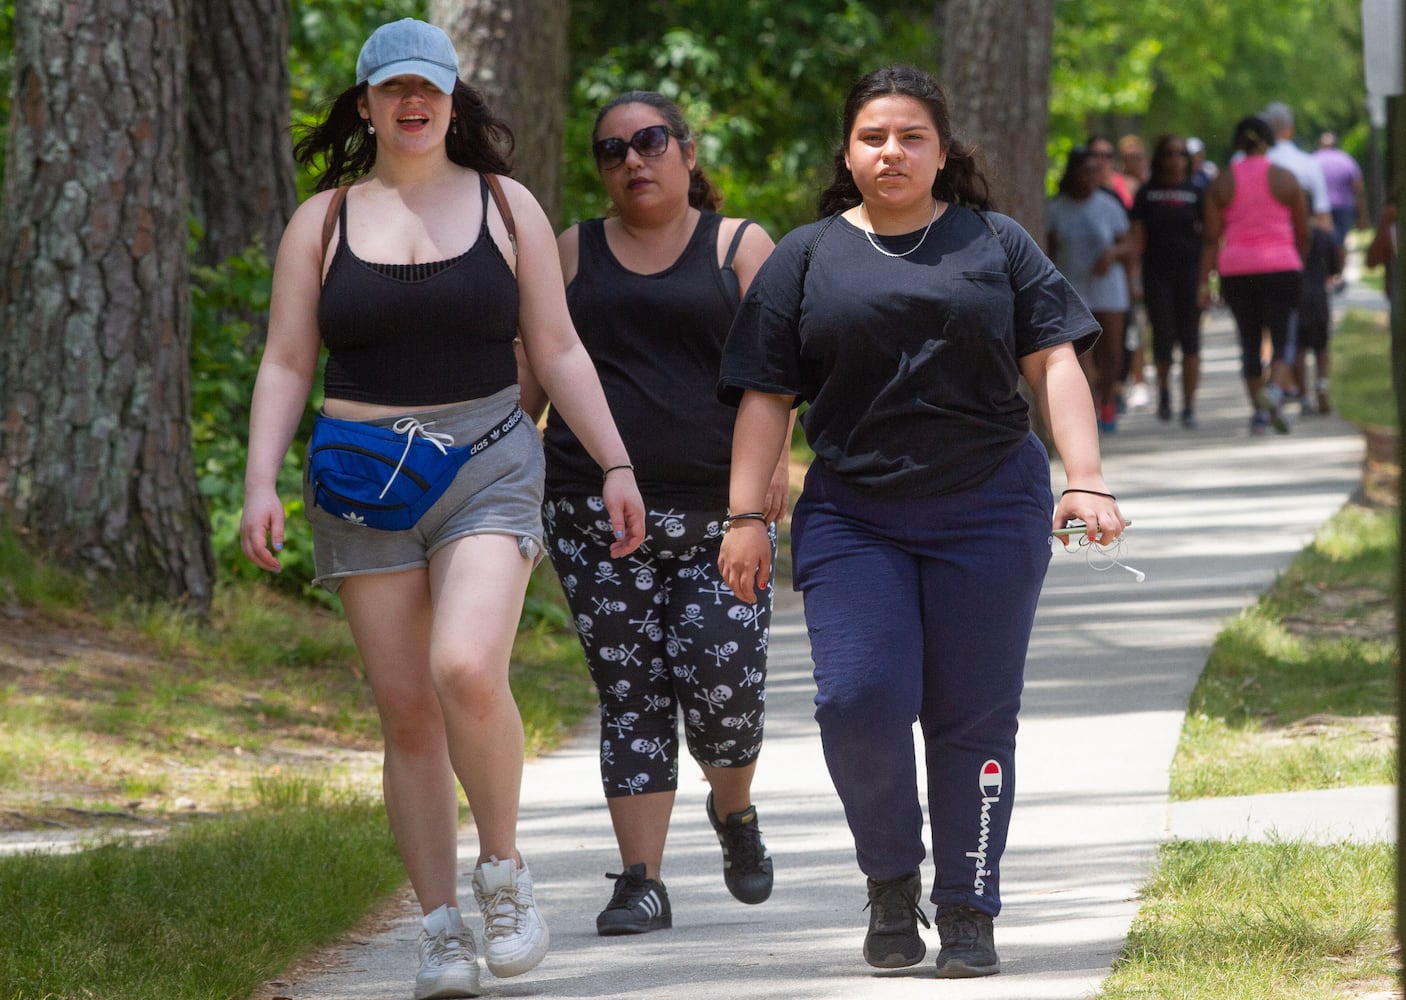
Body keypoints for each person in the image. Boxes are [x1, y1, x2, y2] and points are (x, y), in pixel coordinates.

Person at [239, 18, 645, 1000]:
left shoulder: (506, 207)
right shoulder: (323, 221)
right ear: (368, 102)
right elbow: (290, 357)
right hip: (359, 474)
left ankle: (502, 873)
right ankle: (439, 930)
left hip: (487, 459)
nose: (410, 103)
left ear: (454, 100)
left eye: (427, 87)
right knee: (407, 712)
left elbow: (554, 350)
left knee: (464, 665)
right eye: (391, 90)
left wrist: (615, 461)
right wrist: (258, 481)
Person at [716, 65, 1124, 980]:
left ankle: (968, 905)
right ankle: (891, 876)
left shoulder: (998, 242)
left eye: (910, 137)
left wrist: (1085, 479)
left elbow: (1054, 361)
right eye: (872, 137)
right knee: (857, 700)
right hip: (856, 514)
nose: (890, 152)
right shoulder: (807, 256)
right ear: (848, 152)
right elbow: (765, 394)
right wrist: (747, 513)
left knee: (972, 716)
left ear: (943, 152)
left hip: (989, 507)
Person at [517, 91, 785, 937]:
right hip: (592, 516)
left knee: (722, 692)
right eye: (612, 150)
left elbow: (782, 382)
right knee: (630, 693)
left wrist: (766, 485)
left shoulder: (740, 247)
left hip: (719, 517)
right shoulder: (570, 253)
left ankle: (733, 811)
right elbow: (532, 379)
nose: (632, 160)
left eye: (651, 141)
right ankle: (642, 880)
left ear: (688, 151)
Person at [1199, 115, 1308, 435]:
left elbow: (1210, 237)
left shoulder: (1221, 182)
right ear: (1269, 142)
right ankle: (1274, 391)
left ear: (1236, 143)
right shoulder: (1285, 179)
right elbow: (1303, 231)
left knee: (1248, 340)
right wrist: (1296, 259)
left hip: (1237, 269)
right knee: (1282, 335)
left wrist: (1204, 282)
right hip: (1281, 266)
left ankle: (1259, 415)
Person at [1047, 146, 1135, 431]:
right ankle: (1090, 406)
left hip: (1108, 288)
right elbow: (1046, 251)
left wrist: (1112, 254)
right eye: (1085, 171)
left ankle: (1108, 399)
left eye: (1095, 171)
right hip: (1072, 286)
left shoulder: (1108, 205)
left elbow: (1129, 244)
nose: (1090, 177)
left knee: (1111, 348)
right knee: (1081, 350)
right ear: (1072, 173)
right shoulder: (1056, 208)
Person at [1131, 134, 1205, 427]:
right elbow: (1138, 237)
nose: (1175, 160)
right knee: (1162, 338)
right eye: (1169, 153)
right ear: (1160, 158)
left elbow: (1209, 237)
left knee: (1190, 341)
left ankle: (1189, 405)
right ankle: (1163, 392)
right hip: (1156, 275)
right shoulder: (1147, 193)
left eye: (1180, 154)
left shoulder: (1197, 192)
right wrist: (1135, 277)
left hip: (1189, 275)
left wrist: (1205, 280)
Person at [1292, 224, 1341, 415]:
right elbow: (1335, 269)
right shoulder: (1324, 236)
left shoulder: (1291, 232)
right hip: (1319, 297)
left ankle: (1304, 396)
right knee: (1321, 347)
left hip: (1296, 298)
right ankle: (1321, 384)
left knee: (1300, 349)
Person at [1313, 131, 1368, 286]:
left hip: (1321, 208)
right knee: (1340, 242)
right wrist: (1362, 216)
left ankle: (1326, 277)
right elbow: (1358, 189)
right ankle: (1339, 276)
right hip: (1344, 207)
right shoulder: (1347, 161)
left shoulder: (1313, 159)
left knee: (1323, 241)